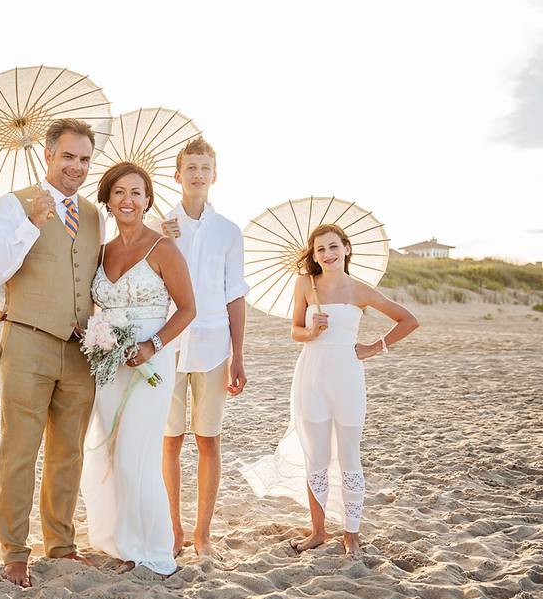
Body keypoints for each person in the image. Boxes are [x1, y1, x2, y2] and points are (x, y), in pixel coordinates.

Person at [0, 118, 104, 588]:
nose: (76, 166)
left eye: (85, 159)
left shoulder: (94, 215)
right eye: (68, 156)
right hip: (28, 338)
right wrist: (32, 224)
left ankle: (62, 544)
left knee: (68, 452)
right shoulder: (12, 205)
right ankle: (13, 551)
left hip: (81, 348)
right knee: (19, 450)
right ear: (49, 155)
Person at [241, 224, 419, 557]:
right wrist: (310, 331)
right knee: (317, 457)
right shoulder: (305, 285)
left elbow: (408, 320)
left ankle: (351, 534)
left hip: (348, 376)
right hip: (311, 375)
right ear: (314, 255)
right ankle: (318, 531)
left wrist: (373, 347)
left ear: (347, 249)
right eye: (321, 249)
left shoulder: (360, 290)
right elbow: (294, 331)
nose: (328, 254)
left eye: (334, 247)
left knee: (349, 456)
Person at [81, 162, 196, 575]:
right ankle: (120, 542)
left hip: (152, 362)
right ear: (108, 200)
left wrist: (153, 345)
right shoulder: (102, 251)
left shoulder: (163, 248)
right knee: (109, 452)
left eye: (136, 192)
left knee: (136, 455)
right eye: (119, 192)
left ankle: (153, 547)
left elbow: (187, 309)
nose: (128, 200)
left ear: (148, 200)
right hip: (108, 361)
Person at [160, 137, 249, 558]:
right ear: (177, 176)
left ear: (215, 175)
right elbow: (146, 286)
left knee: (207, 439)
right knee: (170, 439)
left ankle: (203, 534)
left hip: (214, 346)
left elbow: (235, 294)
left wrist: (238, 355)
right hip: (168, 345)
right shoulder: (159, 226)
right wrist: (162, 241)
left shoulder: (228, 231)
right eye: (190, 167)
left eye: (204, 167)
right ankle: (174, 530)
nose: (197, 174)